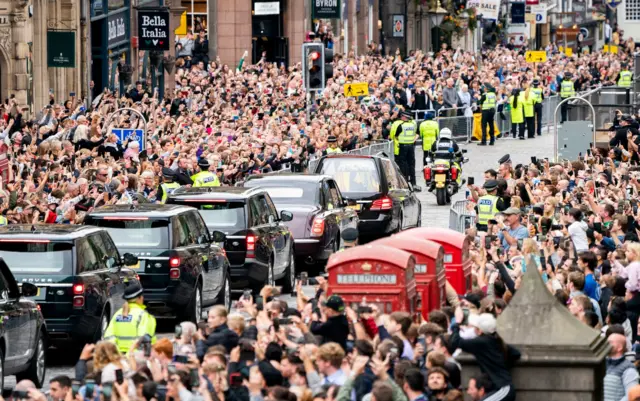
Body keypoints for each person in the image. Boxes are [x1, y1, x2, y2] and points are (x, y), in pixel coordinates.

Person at [451, 311, 520, 401]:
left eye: (475, 327)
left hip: (502, 388)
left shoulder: (481, 342)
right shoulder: (496, 340)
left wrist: (457, 323)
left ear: (480, 330)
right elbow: (515, 354)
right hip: (502, 388)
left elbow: (455, 341)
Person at [103, 282, 157, 353]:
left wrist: (117, 356)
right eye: (142, 296)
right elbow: (143, 340)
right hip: (136, 358)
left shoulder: (118, 314)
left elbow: (108, 337)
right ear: (139, 298)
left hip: (119, 358)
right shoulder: (143, 315)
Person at [604, 333, 639, 401]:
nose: (606, 344)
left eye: (610, 342)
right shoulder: (603, 364)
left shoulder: (629, 369)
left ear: (619, 347)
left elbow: (631, 396)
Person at [395, 111, 418, 186]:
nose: (401, 117)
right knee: (411, 164)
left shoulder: (401, 126)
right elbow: (417, 133)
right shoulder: (413, 125)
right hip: (411, 146)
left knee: (403, 164)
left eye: (402, 116)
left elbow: (396, 136)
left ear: (405, 117)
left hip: (403, 146)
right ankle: (413, 182)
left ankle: (405, 182)